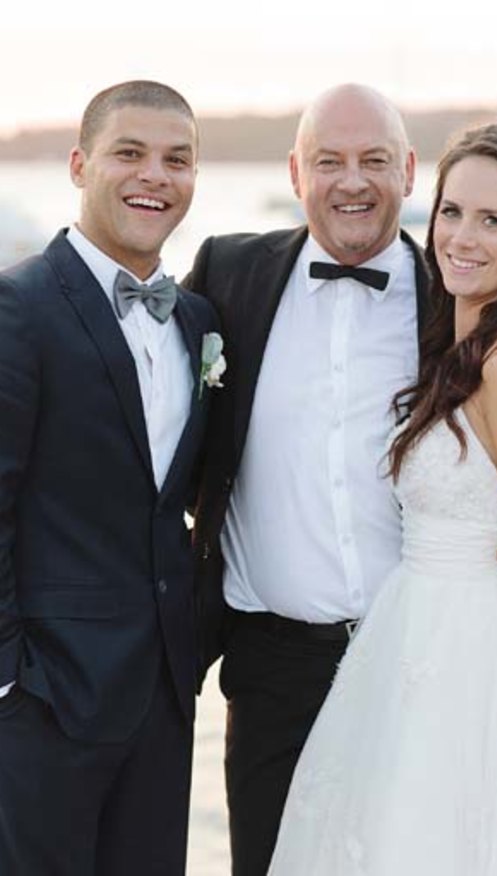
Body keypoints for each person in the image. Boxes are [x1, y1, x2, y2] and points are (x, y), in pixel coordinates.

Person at [184, 85, 497, 875]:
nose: (353, 181)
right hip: (271, 667)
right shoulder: (229, 273)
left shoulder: (458, 291)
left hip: (423, 667)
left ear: (411, 171)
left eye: (375, 160)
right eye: (329, 162)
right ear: (294, 172)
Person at [267, 120, 497, 875]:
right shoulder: (462, 338)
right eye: (451, 211)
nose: (462, 237)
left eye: (493, 219)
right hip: (412, 637)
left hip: (484, 656)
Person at [0, 81, 218, 875]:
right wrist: (11, 685)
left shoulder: (197, 321)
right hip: (44, 704)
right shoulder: (17, 307)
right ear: (78, 164)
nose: (154, 175)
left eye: (177, 159)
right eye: (130, 153)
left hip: (164, 700)